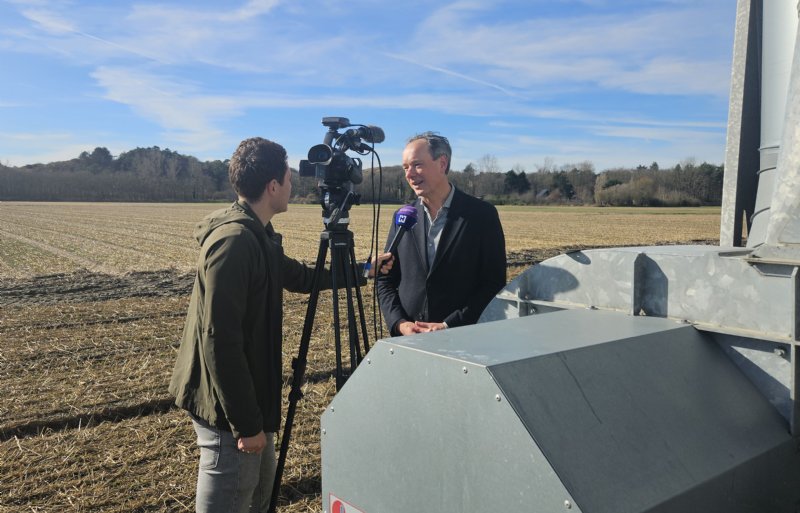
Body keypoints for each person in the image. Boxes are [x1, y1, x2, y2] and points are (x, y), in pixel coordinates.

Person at [169, 137, 390, 513]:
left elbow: (302, 277)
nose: (295, 186)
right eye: (288, 178)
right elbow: (219, 341)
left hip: (250, 402)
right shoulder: (235, 242)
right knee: (232, 490)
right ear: (272, 186)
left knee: (259, 494)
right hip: (228, 412)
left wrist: (362, 270)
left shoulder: (258, 234)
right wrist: (246, 425)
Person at [376, 132, 506, 336]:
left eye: (417, 164)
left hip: (464, 339)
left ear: (442, 163)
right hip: (410, 340)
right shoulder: (402, 216)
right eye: (405, 168)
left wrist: (449, 325)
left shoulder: (481, 215)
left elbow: (493, 283)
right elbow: (385, 279)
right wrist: (400, 323)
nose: (409, 174)